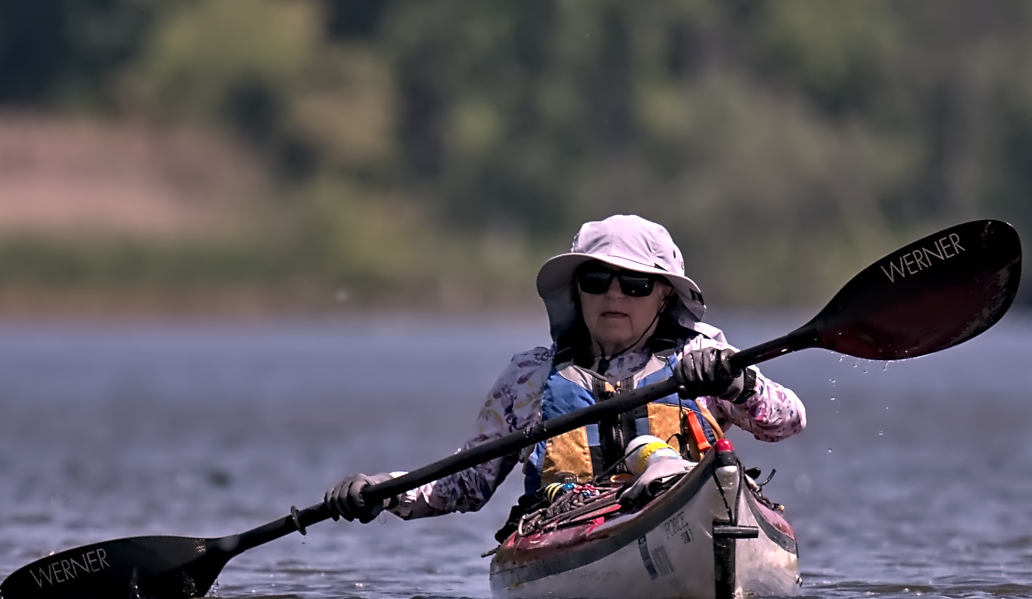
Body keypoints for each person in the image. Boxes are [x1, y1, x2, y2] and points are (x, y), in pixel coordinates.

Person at [325, 214, 806, 525]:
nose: (614, 294)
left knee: (668, 463)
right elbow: (464, 485)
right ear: (577, 292)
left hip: (694, 512)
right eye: (597, 280)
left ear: (664, 295)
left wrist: (739, 384)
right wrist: (383, 490)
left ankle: (661, 474)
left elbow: (789, 421)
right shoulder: (530, 377)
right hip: (568, 526)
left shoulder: (705, 355)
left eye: (636, 284)